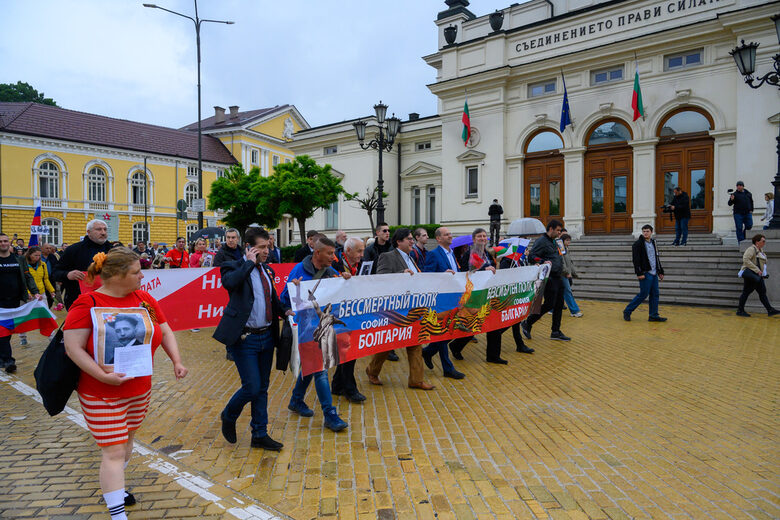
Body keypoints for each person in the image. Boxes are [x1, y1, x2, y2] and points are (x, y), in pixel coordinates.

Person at [63, 248, 187, 520]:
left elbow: (164, 329)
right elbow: (73, 348)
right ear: (118, 276)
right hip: (100, 392)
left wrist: (176, 361)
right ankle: (118, 514)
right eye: (136, 271)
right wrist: (102, 375)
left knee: (127, 443)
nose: (143, 275)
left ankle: (116, 488)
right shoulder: (88, 303)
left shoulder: (143, 299)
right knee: (115, 450)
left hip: (138, 388)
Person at [215, 227, 288, 450]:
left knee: (262, 388)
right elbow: (230, 283)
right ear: (250, 248)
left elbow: (272, 300)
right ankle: (229, 414)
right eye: (263, 247)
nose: (267, 251)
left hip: (266, 336)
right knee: (252, 387)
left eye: (269, 247)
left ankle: (259, 433)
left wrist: (286, 312)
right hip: (244, 339)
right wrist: (248, 263)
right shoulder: (234, 265)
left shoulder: (267, 271)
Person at [281, 237, 349, 431]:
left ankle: (296, 400)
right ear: (317, 253)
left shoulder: (330, 272)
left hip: (323, 328)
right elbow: (283, 299)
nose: (334, 257)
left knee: (312, 367)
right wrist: (293, 288)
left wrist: (346, 280)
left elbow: (343, 292)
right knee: (321, 370)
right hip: (305, 329)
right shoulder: (298, 271)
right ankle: (330, 414)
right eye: (330, 253)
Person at [366, 228, 435, 390]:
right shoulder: (387, 256)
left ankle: (416, 380)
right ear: (399, 241)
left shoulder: (411, 258)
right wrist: (400, 274)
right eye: (409, 239)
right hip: (395, 309)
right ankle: (372, 370)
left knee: (415, 342)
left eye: (412, 239)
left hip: (413, 307)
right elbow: (380, 278)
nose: (412, 242)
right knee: (388, 344)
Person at [448, 228, 508, 365]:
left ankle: (493, 355)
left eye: (484, 236)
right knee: (472, 323)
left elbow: (490, 267)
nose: (482, 238)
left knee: (493, 323)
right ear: (474, 239)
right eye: (479, 236)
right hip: (474, 295)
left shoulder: (485, 252)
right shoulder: (470, 253)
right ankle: (456, 346)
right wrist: (483, 269)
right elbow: (467, 270)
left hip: (486, 294)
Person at [421, 227, 465, 377]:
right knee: (443, 332)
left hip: (453, 298)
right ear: (438, 239)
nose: (450, 236)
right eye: (446, 234)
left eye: (450, 234)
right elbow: (427, 275)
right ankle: (447, 368)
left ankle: (428, 352)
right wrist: (441, 275)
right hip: (440, 300)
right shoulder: (433, 254)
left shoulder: (452, 254)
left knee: (449, 331)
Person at [521, 219, 572, 341]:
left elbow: (561, 256)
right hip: (549, 277)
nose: (560, 233)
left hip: (559, 276)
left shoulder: (558, 241)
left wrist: (567, 272)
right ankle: (528, 322)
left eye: (561, 231)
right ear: (551, 229)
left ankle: (556, 331)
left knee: (559, 304)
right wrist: (543, 261)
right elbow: (532, 256)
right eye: (558, 230)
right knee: (550, 304)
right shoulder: (541, 241)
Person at [330, 237, 367, 403]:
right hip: (338, 315)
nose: (362, 254)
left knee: (349, 350)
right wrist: (338, 278)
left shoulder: (362, 264)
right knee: (348, 351)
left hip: (355, 312)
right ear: (348, 251)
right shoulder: (335, 264)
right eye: (359, 251)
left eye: (363, 250)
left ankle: (337, 385)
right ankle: (349, 389)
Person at [0, 232, 40, 372]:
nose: (4, 243)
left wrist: (34, 292)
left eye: (5, 241)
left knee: (8, 330)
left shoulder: (19, 259)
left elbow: (27, 277)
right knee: (3, 330)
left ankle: (4, 357)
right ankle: (8, 360)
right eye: (1, 241)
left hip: (15, 300)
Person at [54, 219, 112, 309]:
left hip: (109, 299)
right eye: (99, 229)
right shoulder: (74, 249)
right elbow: (56, 272)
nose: (103, 232)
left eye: (105, 229)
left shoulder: (114, 250)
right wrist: (67, 274)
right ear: (88, 232)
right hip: (79, 300)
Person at [361, 222, 398, 360]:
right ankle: (380, 347)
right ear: (377, 233)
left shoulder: (392, 248)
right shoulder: (370, 250)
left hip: (391, 287)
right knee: (379, 318)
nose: (387, 233)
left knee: (391, 317)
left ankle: (390, 349)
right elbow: (366, 268)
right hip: (376, 288)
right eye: (384, 231)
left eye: (388, 230)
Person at [623, 224, 667, 322]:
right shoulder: (637, 244)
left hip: (654, 273)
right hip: (645, 273)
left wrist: (660, 271)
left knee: (655, 294)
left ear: (651, 232)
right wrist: (639, 273)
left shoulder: (654, 243)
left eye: (647, 231)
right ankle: (627, 311)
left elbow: (656, 258)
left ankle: (653, 315)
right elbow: (636, 260)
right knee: (643, 294)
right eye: (644, 231)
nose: (645, 233)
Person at [737, 234, 779, 317]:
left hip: (757, 276)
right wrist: (757, 270)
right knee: (751, 292)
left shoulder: (760, 250)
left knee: (759, 292)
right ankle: (740, 310)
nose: (764, 243)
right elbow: (745, 260)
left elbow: (762, 263)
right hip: (753, 275)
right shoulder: (751, 249)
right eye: (763, 241)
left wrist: (763, 274)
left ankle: (770, 310)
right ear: (757, 242)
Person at [559, 234, 582, 317]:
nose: (569, 242)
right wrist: (566, 272)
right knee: (568, 291)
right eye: (567, 240)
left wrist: (574, 273)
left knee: (559, 292)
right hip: (562, 274)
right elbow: (562, 262)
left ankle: (552, 309)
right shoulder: (560, 249)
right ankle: (574, 311)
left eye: (569, 240)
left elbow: (570, 262)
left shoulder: (566, 249)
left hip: (566, 273)